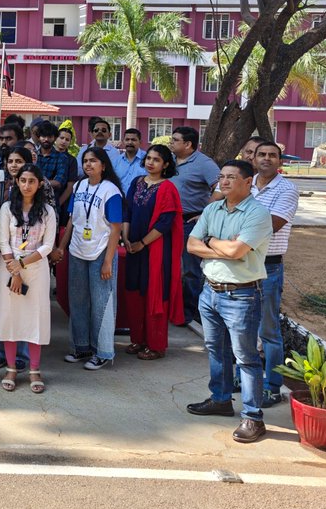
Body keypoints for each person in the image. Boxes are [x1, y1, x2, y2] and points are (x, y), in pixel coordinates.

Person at [185, 159, 273, 443]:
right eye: (222, 177)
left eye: (231, 177)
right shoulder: (212, 208)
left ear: (248, 182)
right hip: (210, 291)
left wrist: (211, 241)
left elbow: (236, 251)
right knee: (216, 350)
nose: (223, 182)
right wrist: (221, 246)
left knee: (245, 357)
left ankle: (253, 417)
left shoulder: (258, 214)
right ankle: (220, 399)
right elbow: (192, 244)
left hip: (242, 294)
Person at [0, 164, 57, 394]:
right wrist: (15, 271)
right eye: (23, 180)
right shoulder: (7, 208)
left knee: (34, 319)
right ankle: (10, 368)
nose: (27, 185)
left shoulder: (48, 211)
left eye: (31, 181)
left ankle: (34, 370)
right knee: (10, 318)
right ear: (16, 183)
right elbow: (2, 241)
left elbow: (48, 245)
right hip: (8, 268)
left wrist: (22, 265)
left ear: (39, 184)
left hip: (36, 270)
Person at [58, 146, 123, 370]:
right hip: (77, 250)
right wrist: (61, 247)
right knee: (78, 301)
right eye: (85, 161)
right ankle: (81, 346)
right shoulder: (78, 185)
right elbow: (71, 221)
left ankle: (102, 351)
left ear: (103, 165)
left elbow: (115, 229)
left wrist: (108, 261)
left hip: (100, 253)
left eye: (93, 161)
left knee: (101, 304)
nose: (88, 164)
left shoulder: (111, 190)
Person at [121, 144, 185, 359]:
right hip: (133, 247)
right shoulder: (137, 182)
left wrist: (142, 243)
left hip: (155, 250)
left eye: (156, 159)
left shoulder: (167, 188)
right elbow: (127, 211)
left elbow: (166, 222)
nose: (150, 162)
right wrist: (126, 238)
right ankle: (138, 340)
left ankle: (156, 345)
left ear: (166, 164)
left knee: (153, 293)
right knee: (134, 291)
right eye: (148, 158)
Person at [250, 141, 299, 407]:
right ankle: (241, 377)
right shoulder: (245, 184)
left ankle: (271, 386)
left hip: (268, 265)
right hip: (241, 263)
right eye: (262, 154)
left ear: (280, 161)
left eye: (272, 155)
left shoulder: (287, 190)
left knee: (268, 330)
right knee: (243, 328)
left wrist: (234, 231)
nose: (266, 159)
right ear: (253, 158)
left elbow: (272, 225)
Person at [170, 126, 222, 324]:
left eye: (175, 140)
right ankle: (171, 308)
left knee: (190, 270)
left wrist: (204, 213)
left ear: (188, 144)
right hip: (167, 222)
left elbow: (221, 188)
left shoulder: (204, 163)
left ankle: (189, 313)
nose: (171, 143)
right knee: (170, 267)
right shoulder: (170, 160)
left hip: (189, 223)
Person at [35, 121, 75, 219]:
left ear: (54, 138)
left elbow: (58, 182)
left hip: (51, 205)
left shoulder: (62, 158)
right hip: (31, 202)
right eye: (43, 136)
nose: (46, 139)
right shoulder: (33, 155)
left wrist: (35, 182)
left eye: (50, 136)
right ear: (38, 137)